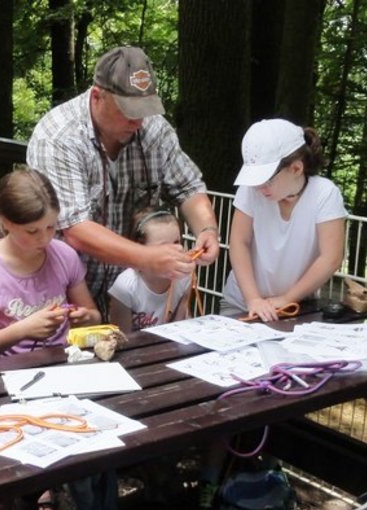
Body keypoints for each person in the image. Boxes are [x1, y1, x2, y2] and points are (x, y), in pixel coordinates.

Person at [26, 45, 220, 315]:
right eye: (129, 111)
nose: (138, 122)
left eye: (144, 110)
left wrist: (207, 230)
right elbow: (75, 229)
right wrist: (148, 258)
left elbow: (188, 188)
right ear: (98, 97)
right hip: (68, 297)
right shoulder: (58, 137)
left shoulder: (155, 131)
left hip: (132, 299)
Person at [0, 169, 101, 356]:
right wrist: (23, 330)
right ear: (5, 222)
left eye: (51, 227)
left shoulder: (65, 255)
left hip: (65, 358)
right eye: (32, 231)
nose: (44, 238)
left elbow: (94, 316)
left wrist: (86, 317)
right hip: (9, 367)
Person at [221, 118, 347, 321]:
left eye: (266, 180)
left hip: (295, 305)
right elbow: (239, 242)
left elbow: (330, 258)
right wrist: (253, 299)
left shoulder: (325, 194)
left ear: (296, 169)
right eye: (254, 181)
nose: (259, 188)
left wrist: (287, 299)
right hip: (241, 302)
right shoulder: (251, 190)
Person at [108, 207, 194, 332]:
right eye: (164, 247)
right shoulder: (125, 286)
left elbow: (179, 328)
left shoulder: (183, 277)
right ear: (140, 249)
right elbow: (122, 337)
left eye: (177, 242)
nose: (177, 251)